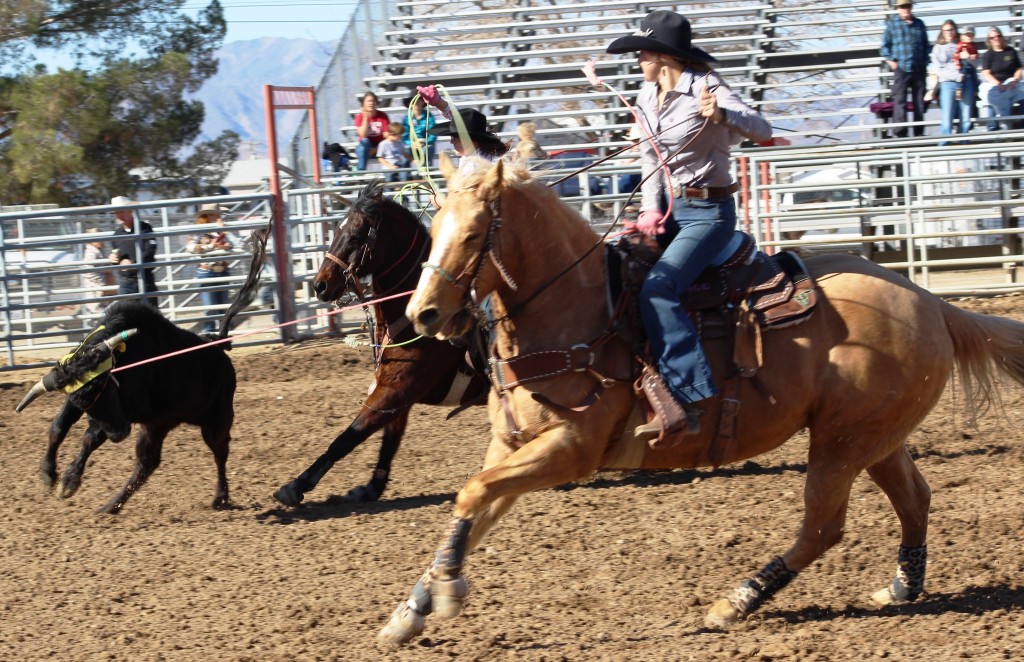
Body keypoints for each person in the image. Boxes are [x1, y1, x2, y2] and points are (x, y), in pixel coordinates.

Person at [604, 9, 772, 446]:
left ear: (663, 56)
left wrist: (722, 116)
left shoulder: (707, 87)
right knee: (616, 274)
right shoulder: (645, 95)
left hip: (711, 213)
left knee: (659, 288)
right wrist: (649, 209)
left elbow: (762, 129)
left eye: (643, 52)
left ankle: (689, 397)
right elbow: (649, 159)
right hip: (674, 213)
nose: (638, 58)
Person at [880, 2, 930, 138]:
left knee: (919, 102)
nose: (905, 9)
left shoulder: (919, 24)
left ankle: (919, 133)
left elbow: (926, 45)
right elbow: (885, 47)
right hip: (901, 69)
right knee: (900, 101)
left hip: (919, 68)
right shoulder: (892, 24)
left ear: (911, 7)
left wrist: (925, 61)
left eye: (907, 6)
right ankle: (901, 134)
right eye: (902, 6)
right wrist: (891, 62)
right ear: (898, 9)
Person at [186, 203, 234, 334]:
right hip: (207, 272)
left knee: (223, 308)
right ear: (205, 216)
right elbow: (190, 247)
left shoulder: (222, 229)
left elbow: (234, 244)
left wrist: (223, 235)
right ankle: (210, 335)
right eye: (213, 214)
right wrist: (211, 247)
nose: (217, 217)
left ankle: (224, 335)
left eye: (218, 214)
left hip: (222, 271)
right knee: (210, 309)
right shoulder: (199, 231)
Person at [109, 195, 158, 308]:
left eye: (121, 211)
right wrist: (114, 259)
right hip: (126, 281)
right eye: (116, 212)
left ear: (130, 211)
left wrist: (133, 262)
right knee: (126, 318)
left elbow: (150, 250)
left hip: (145, 279)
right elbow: (118, 258)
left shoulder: (145, 228)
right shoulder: (116, 235)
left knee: (150, 318)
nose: (118, 215)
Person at [929, 21, 969, 144]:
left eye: (951, 29)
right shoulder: (938, 48)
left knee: (965, 116)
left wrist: (968, 56)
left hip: (964, 83)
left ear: (955, 30)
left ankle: (964, 141)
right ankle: (944, 145)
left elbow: (970, 64)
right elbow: (937, 70)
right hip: (948, 83)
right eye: (946, 30)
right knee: (947, 117)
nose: (949, 32)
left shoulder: (962, 45)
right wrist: (956, 76)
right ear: (942, 32)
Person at [980, 26, 1024, 130]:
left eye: (998, 36)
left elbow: (1019, 68)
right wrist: (998, 84)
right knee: (990, 95)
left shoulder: (1010, 51)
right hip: (995, 84)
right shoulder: (988, 55)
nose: (996, 39)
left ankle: (1022, 123)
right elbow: (986, 73)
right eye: (993, 37)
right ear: (989, 40)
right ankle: (993, 126)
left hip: (1011, 82)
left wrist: (1015, 80)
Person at [81, 227, 114, 316]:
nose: (102, 241)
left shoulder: (98, 251)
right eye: (100, 239)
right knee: (100, 317)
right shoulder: (91, 253)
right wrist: (103, 284)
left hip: (100, 292)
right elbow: (89, 271)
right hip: (96, 293)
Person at [354, 91, 389, 170]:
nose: (371, 103)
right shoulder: (359, 116)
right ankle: (361, 171)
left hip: (379, 145)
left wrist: (377, 149)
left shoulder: (382, 116)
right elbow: (363, 135)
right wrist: (365, 118)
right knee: (364, 143)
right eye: (368, 101)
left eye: (373, 101)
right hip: (366, 147)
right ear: (363, 104)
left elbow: (386, 135)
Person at [402, 94, 437, 165]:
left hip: (426, 143)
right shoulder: (406, 118)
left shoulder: (429, 116)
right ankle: (405, 174)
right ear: (410, 104)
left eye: (419, 100)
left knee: (426, 150)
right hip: (412, 144)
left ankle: (426, 172)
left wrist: (424, 142)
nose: (416, 103)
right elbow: (404, 136)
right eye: (414, 101)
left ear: (423, 102)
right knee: (404, 152)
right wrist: (412, 143)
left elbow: (433, 133)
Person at [955, 26, 980, 118]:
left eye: (971, 35)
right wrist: (958, 62)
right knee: (962, 76)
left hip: (971, 68)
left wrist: (974, 57)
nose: (969, 37)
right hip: (963, 66)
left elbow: (976, 55)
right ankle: (959, 89)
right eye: (967, 35)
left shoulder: (973, 45)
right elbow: (956, 55)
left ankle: (976, 92)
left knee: (975, 78)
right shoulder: (961, 45)